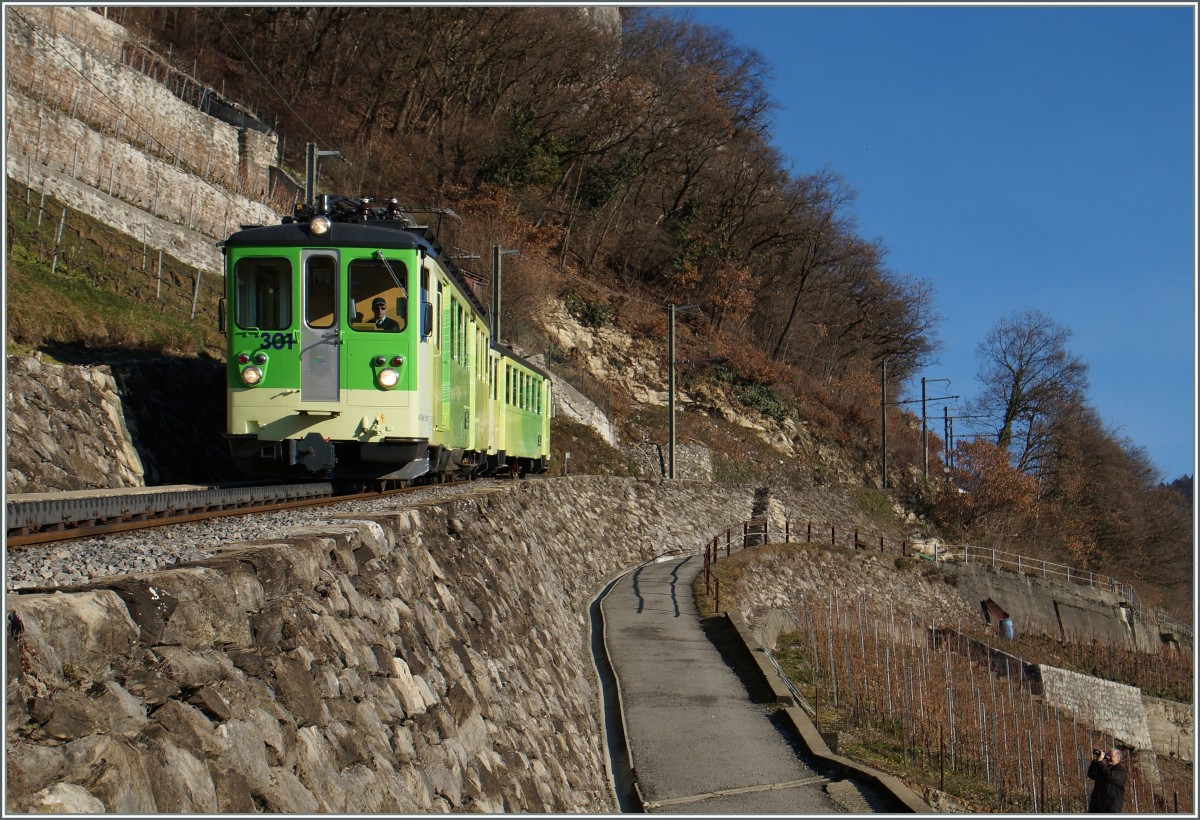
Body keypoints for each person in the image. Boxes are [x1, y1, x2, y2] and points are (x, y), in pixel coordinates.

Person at [1087, 747, 1128, 813]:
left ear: (1118, 758)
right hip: (1096, 808)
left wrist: (1100, 763)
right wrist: (1096, 761)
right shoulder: (1104, 768)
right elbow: (1091, 774)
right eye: (1107, 756)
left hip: (1110, 809)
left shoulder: (1121, 771)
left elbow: (1110, 776)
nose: (1108, 758)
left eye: (1110, 756)